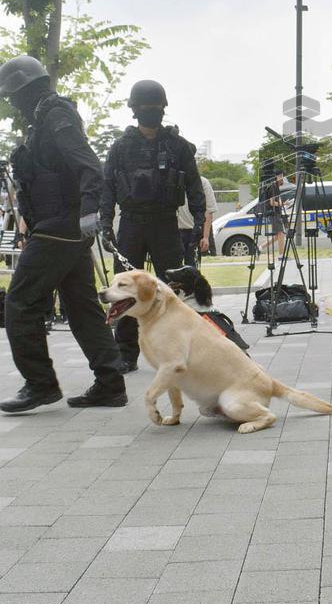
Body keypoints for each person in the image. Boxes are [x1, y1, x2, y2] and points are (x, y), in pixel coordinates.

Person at [0, 55, 126, 413]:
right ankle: (110, 383)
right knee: (82, 306)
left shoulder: (55, 115)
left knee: (20, 303)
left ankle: (40, 384)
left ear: (26, 90)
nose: (11, 103)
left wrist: (90, 211)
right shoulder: (43, 118)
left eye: (12, 95)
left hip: (61, 227)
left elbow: (88, 165)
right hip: (60, 227)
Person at [99, 80, 205, 373]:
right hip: (131, 223)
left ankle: (176, 347)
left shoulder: (177, 146)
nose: (151, 112)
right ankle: (126, 353)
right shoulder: (120, 148)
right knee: (123, 290)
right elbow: (107, 188)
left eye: (155, 108)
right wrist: (105, 223)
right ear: (134, 110)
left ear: (163, 110)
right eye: (145, 107)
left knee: (170, 289)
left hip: (164, 223)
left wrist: (199, 221)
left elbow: (194, 186)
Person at [177, 171, 217, 265]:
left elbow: (209, 211)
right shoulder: (173, 180)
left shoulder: (202, 182)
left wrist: (206, 237)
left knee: (193, 268)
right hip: (176, 232)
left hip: (196, 231)